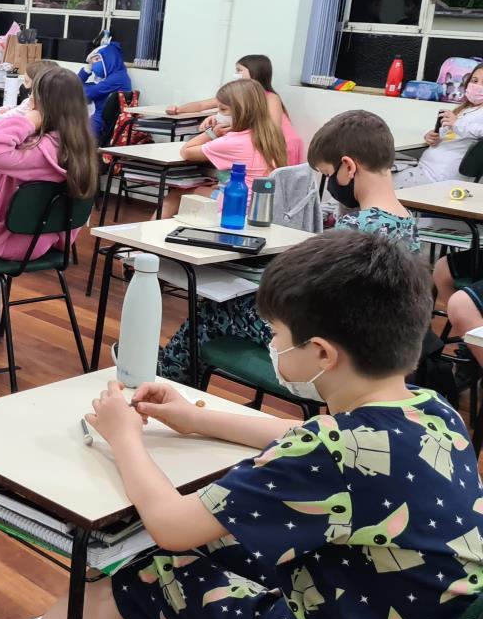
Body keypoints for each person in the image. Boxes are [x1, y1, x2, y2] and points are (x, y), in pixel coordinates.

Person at [0, 231, 482, 619]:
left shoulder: (327, 451)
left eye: (278, 338)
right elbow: (306, 434)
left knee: (143, 564)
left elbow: (175, 528)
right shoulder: (433, 412)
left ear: (322, 354)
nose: (273, 349)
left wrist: (124, 436)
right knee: (186, 547)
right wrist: (197, 417)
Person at [157, 109, 419, 383]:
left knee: (211, 311)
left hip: (325, 341)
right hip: (368, 343)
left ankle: (168, 380)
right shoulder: (407, 221)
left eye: (328, 174)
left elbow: (308, 297)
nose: (329, 184)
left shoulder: (354, 230)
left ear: (349, 167)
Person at [0, 69, 97, 265]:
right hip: (46, 237)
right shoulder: (81, 147)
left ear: (42, 105)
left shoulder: (41, 150)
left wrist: (27, 120)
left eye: (33, 95)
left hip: (13, 241)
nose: (29, 100)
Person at [169, 78, 287, 215]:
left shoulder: (233, 141)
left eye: (223, 109)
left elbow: (186, 151)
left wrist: (212, 133)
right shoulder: (272, 134)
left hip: (236, 204)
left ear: (241, 111)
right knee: (212, 187)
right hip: (262, 207)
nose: (218, 114)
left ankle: (149, 234)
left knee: (176, 194)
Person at [167, 54, 303, 164]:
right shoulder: (237, 95)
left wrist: (230, 126)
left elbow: (273, 128)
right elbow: (202, 105)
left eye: (239, 70)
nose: (235, 74)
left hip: (280, 145)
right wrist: (178, 109)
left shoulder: (271, 98)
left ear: (256, 71)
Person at [395, 61, 483, 189]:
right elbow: (452, 134)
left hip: (440, 178)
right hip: (425, 168)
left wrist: (457, 123)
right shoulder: (465, 109)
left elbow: (473, 130)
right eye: (474, 81)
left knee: (378, 183)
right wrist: (433, 136)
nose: (477, 86)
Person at [78, 37, 132, 138]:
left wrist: (84, 73)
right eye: (92, 63)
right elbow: (74, 87)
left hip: (102, 124)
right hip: (99, 120)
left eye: (97, 59)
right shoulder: (113, 77)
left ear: (110, 58)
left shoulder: (118, 78)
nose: (93, 65)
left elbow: (84, 92)